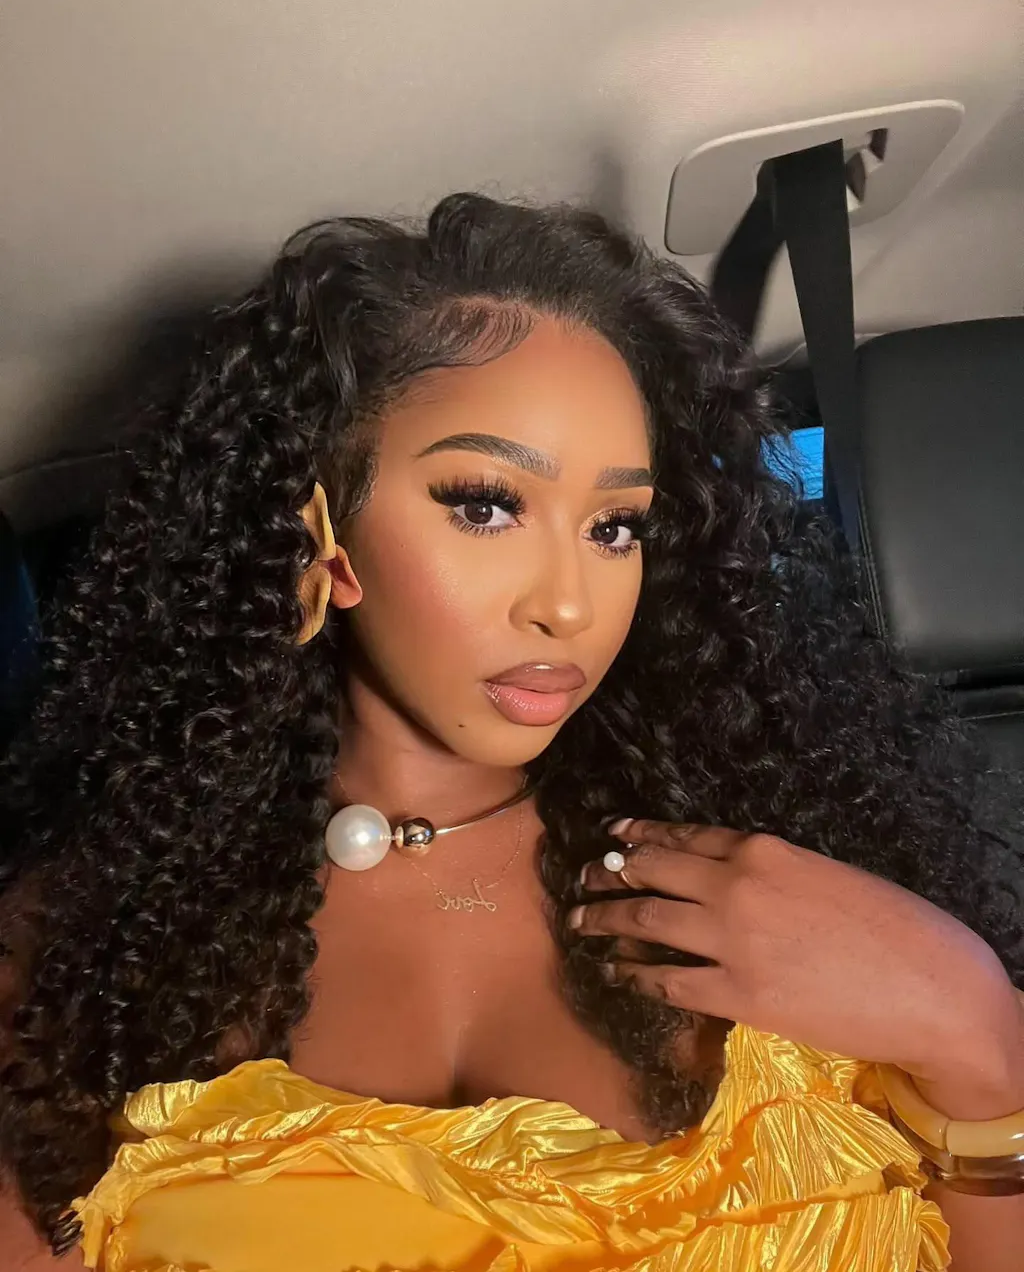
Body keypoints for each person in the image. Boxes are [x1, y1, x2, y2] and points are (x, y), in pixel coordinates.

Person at [0, 193, 1022, 1271]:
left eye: (615, 526)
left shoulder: (804, 863)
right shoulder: (78, 960)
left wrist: (976, 1026)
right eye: (486, 505)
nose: (570, 606)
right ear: (316, 532)